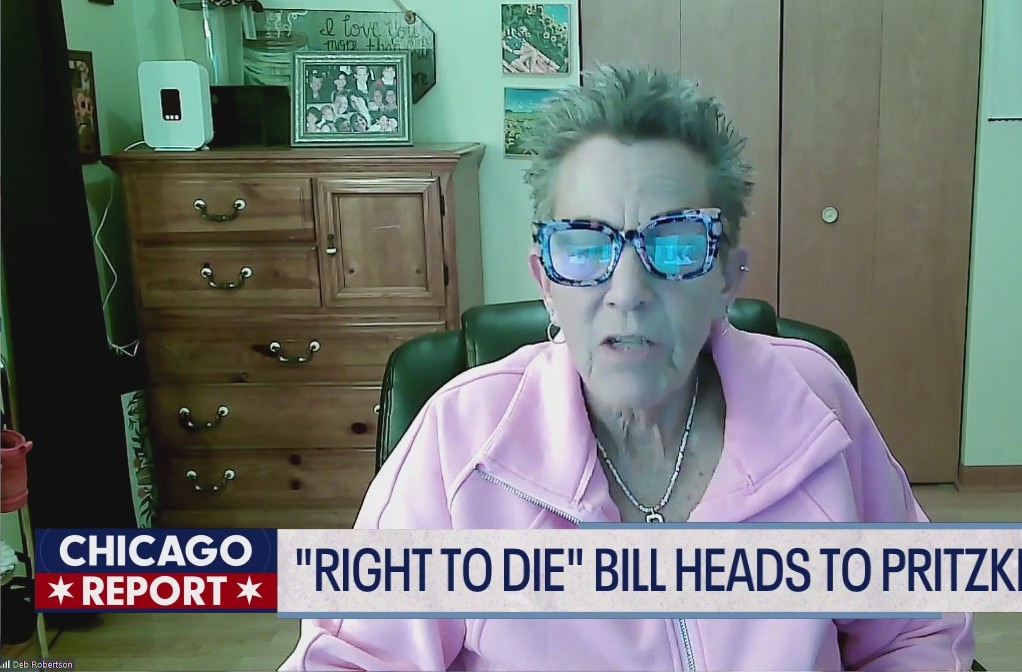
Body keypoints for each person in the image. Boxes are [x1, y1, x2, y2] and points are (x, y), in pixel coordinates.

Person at [278, 64, 975, 671]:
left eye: (675, 244)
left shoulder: (816, 403)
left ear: (728, 278)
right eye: (585, 246)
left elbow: (917, 631)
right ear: (545, 280)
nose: (629, 291)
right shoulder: (458, 442)